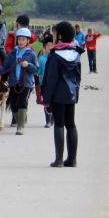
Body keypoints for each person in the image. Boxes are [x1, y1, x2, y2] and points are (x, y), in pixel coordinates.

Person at [42, 21, 83, 168]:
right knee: (71, 124)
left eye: (54, 33)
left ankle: (59, 160)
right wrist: (75, 94)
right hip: (71, 94)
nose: (52, 36)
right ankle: (72, 160)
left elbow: (51, 80)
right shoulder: (76, 53)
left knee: (59, 124)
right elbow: (78, 77)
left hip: (58, 96)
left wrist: (46, 99)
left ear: (59, 36)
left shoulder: (55, 55)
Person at [0, 27, 37, 135]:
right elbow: (5, 67)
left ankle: (20, 127)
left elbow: (36, 69)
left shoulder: (31, 54)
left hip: (26, 83)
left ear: (28, 41)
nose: (21, 42)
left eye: (23, 39)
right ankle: (21, 119)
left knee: (22, 102)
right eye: (19, 39)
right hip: (13, 83)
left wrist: (27, 65)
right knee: (14, 105)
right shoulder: (12, 53)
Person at [36, 33, 54, 128]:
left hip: (55, 84)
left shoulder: (56, 58)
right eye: (48, 45)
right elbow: (38, 71)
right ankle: (47, 120)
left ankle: (53, 119)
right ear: (44, 47)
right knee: (46, 102)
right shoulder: (42, 59)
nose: (50, 47)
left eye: (52, 45)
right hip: (44, 83)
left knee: (54, 102)